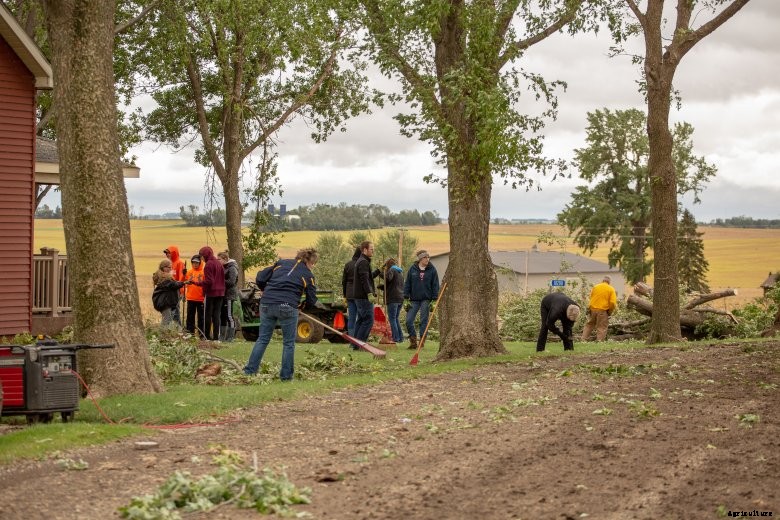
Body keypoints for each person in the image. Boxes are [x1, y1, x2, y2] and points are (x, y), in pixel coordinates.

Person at [243, 248, 321, 381]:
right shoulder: (308, 275)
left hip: (267, 303)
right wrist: (303, 306)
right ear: (310, 262)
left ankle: (250, 371)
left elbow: (261, 277)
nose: (313, 267)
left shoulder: (281, 263)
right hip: (287, 306)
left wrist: (264, 289)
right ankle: (286, 377)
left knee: (262, 339)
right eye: (313, 264)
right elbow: (312, 299)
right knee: (288, 343)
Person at [404, 249, 440, 350]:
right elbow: (407, 284)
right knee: (408, 320)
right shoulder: (412, 269)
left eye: (428, 257)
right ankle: (413, 341)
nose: (427, 259)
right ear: (420, 259)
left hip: (426, 299)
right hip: (414, 299)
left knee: (424, 321)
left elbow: (435, 285)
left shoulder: (432, 270)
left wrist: (434, 300)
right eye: (425, 257)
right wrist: (405, 298)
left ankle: (422, 342)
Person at [192, 246, 225, 340]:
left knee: (208, 314)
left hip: (211, 293)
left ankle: (207, 336)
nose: (201, 258)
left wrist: (198, 284)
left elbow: (209, 281)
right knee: (217, 315)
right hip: (221, 292)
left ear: (205, 255)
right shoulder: (219, 263)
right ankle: (216, 337)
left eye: (202, 256)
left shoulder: (209, 264)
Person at [348, 241, 377, 343]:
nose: (373, 251)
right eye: (371, 249)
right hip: (363, 297)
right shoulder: (363, 262)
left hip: (359, 296)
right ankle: (361, 344)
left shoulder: (362, 261)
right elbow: (364, 279)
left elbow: (368, 277)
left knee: (360, 320)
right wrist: (369, 293)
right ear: (365, 250)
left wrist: (378, 270)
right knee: (368, 320)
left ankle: (355, 344)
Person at [581, 275, 618, 342]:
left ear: (602, 280)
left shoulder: (595, 287)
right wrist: (610, 312)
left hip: (592, 310)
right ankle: (599, 341)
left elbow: (591, 297)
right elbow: (612, 303)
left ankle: (583, 339)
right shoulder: (611, 289)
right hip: (602, 311)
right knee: (601, 327)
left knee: (589, 325)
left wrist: (589, 308)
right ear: (609, 282)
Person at [152, 259, 187, 327]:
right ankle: (163, 336)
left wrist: (183, 277)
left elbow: (174, 284)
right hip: (166, 303)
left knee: (169, 321)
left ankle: (170, 334)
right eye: (169, 267)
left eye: (171, 267)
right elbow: (173, 285)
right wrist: (184, 282)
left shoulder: (161, 275)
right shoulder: (164, 277)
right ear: (164, 267)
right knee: (166, 322)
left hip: (167, 302)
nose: (171, 269)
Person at [218, 250, 239, 342]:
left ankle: (231, 337)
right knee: (222, 315)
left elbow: (231, 282)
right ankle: (222, 336)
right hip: (223, 294)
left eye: (219, 259)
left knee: (229, 316)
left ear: (225, 259)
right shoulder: (224, 267)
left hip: (229, 295)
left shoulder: (232, 268)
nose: (218, 261)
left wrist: (219, 280)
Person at [383, 258, 405, 343]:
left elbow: (388, 279)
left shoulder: (391, 270)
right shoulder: (400, 272)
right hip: (400, 297)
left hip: (393, 298)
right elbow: (393, 284)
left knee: (392, 318)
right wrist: (382, 287)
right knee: (395, 318)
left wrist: (383, 273)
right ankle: (400, 338)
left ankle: (395, 338)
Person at [341, 247, 361, 337]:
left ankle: (352, 339)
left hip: (349, 293)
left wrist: (345, 295)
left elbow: (344, 281)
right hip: (359, 294)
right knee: (361, 317)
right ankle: (359, 338)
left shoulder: (348, 264)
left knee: (352, 317)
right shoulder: (362, 264)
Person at [184, 254, 205, 337]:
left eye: (196, 263)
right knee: (190, 317)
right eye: (193, 262)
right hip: (190, 298)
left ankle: (201, 334)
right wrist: (184, 274)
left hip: (200, 298)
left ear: (200, 263)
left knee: (201, 318)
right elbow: (184, 281)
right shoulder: (189, 272)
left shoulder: (203, 272)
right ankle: (190, 333)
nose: (195, 264)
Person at [163, 246, 186, 324]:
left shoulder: (180, 263)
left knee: (175, 309)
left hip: (177, 290)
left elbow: (182, 278)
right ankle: (171, 328)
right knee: (169, 309)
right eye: (166, 253)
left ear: (173, 253)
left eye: (168, 253)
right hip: (169, 290)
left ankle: (178, 327)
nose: (167, 254)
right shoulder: (169, 263)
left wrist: (182, 292)